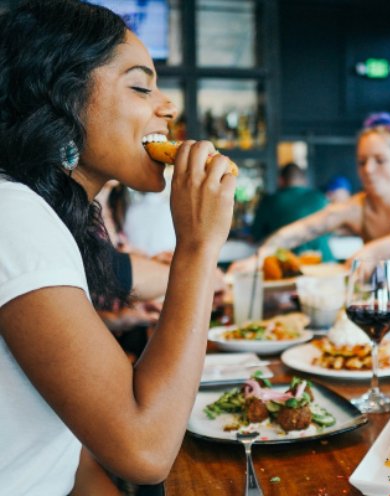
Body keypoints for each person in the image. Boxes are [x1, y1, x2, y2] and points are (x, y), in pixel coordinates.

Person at [0, 2, 235, 494]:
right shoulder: (12, 216)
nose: (167, 106)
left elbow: (71, 455)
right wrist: (197, 246)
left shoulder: (52, 218)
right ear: (61, 97)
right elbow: (145, 451)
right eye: (140, 85)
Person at [229, 113, 390, 272]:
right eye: (362, 161)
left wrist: (371, 251)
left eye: (380, 160)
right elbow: (301, 230)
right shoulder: (357, 207)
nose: (368, 169)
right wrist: (258, 258)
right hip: (383, 305)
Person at [251, 162, 333, 261]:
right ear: (304, 180)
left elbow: (255, 235)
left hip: (288, 265)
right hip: (325, 262)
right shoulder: (321, 198)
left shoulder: (269, 201)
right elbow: (330, 232)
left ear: (281, 180)